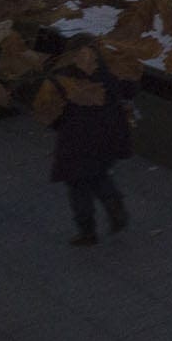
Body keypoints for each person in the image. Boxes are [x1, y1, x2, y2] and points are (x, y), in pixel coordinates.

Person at [43, 37, 136, 245]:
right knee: (97, 171)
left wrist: (58, 126)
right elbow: (130, 87)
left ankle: (87, 231)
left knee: (77, 183)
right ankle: (113, 202)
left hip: (75, 136)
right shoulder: (111, 68)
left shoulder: (63, 75)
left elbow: (53, 111)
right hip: (108, 133)